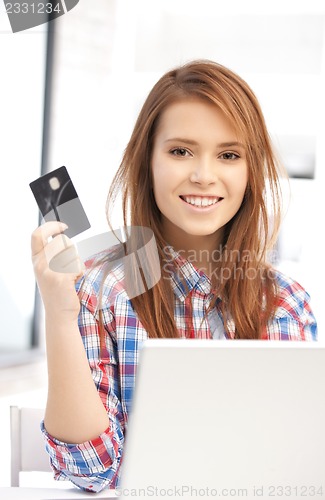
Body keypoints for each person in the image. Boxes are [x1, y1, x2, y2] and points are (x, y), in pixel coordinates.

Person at [31, 59, 317, 493]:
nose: (203, 175)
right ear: (147, 161)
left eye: (228, 155)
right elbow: (90, 469)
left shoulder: (285, 302)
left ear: (250, 170)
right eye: (180, 151)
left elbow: (296, 463)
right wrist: (58, 314)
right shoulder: (98, 290)